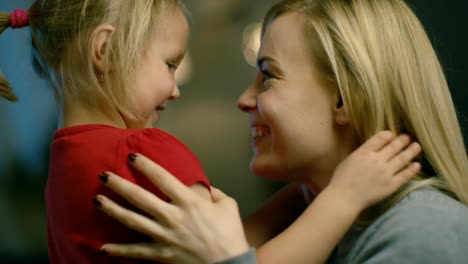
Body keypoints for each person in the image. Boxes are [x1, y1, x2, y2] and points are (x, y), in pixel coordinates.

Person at [0, 0, 421, 264]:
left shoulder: (62, 167)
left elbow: (220, 250)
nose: (175, 88)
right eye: (169, 64)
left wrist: (301, 195)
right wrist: (343, 197)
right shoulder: (145, 153)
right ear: (106, 51)